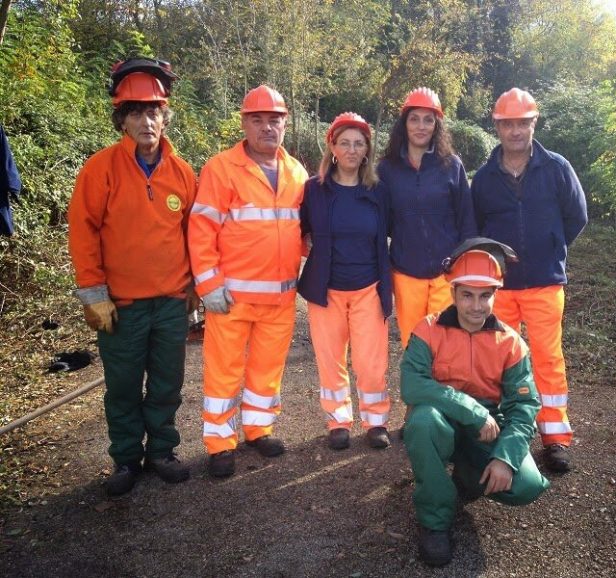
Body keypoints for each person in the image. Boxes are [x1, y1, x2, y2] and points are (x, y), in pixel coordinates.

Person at [67, 58, 198, 496]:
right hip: (120, 305)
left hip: (170, 302)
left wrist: (195, 288)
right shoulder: (100, 169)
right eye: (137, 112)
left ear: (165, 116)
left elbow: (194, 233)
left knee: (166, 382)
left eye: (155, 112)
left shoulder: (181, 172)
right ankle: (126, 458)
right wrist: (93, 294)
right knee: (123, 386)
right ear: (122, 119)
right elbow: (82, 231)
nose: (148, 121)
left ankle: (162, 450)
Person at [400, 238, 550, 567]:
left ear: (496, 295)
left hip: (488, 426)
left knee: (526, 485)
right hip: (441, 418)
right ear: (452, 294)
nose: (476, 306)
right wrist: (471, 410)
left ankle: (469, 475)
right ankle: (435, 520)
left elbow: (523, 409)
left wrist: (506, 458)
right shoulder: (428, 330)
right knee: (422, 422)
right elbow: (412, 385)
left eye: (485, 296)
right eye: (467, 295)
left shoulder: (511, 343)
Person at [188, 85, 308, 478]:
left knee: (267, 369)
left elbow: (303, 232)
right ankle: (221, 443)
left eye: (274, 120)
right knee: (223, 370)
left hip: (280, 297)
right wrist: (209, 286)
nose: (267, 128)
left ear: (285, 123)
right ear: (244, 123)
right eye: (258, 120)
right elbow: (201, 230)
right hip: (232, 297)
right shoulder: (221, 169)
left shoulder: (296, 173)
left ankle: (259, 429)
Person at [471, 87, 588, 473]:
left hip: (544, 282)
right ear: (497, 126)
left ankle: (554, 437)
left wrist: (551, 247)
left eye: (523, 123)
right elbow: (477, 228)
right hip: (500, 286)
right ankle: (500, 431)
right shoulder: (485, 178)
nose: (516, 131)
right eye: (508, 124)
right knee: (497, 359)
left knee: (547, 358)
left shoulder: (557, 168)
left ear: (534, 123)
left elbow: (576, 217)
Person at [298, 112, 392, 450]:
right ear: (332, 148)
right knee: (330, 359)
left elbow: (396, 230)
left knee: (371, 361)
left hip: (369, 287)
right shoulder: (314, 189)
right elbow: (299, 228)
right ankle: (337, 420)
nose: (352, 150)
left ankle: (376, 420)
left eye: (359, 143)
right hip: (326, 290)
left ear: (367, 149)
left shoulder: (379, 191)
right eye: (344, 143)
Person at [378, 87, 476, 349]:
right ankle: (417, 391)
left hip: (447, 272)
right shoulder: (387, 169)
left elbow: (466, 218)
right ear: (404, 123)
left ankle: (444, 391)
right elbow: (379, 221)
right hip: (406, 272)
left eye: (428, 119)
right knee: (414, 343)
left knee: (447, 341)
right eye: (414, 119)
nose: (421, 126)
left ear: (437, 125)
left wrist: (465, 266)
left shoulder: (451, 165)